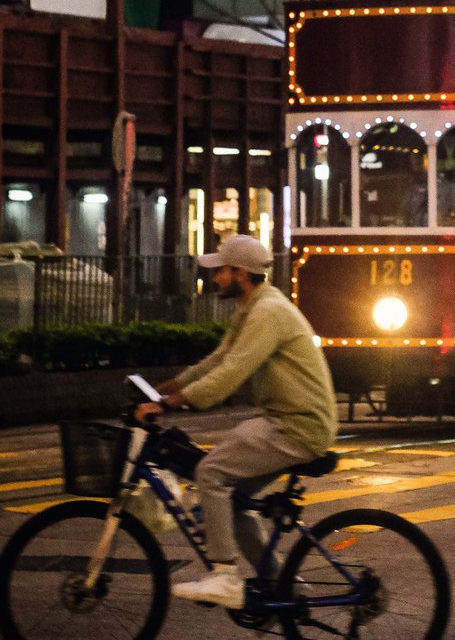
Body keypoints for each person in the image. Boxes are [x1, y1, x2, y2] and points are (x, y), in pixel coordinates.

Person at [134, 234, 338, 608]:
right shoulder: (254, 306)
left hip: (296, 425)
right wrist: (165, 389)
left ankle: (225, 575)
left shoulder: (268, 313)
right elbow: (217, 360)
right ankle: (285, 592)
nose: (214, 277)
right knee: (237, 500)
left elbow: (232, 373)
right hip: (289, 421)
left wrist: (172, 404)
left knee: (210, 474)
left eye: (221, 271)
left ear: (240, 273)